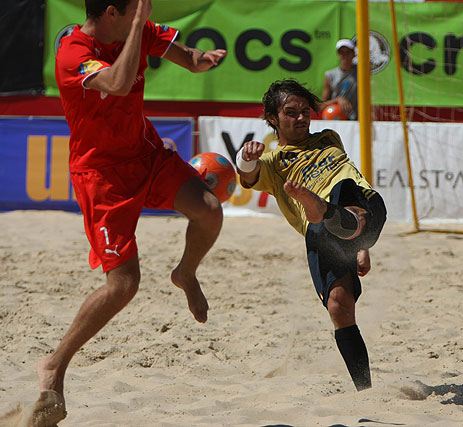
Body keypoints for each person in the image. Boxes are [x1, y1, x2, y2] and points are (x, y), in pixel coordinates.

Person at [26, 0, 226, 424]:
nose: (144, 11)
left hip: (145, 153)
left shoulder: (136, 27)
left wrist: (203, 61)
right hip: (101, 177)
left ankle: (185, 273)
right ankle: (54, 366)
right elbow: (116, 82)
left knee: (209, 210)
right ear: (113, 12)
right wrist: (139, 27)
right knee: (123, 285)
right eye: (135, 8)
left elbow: (188, 59)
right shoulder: (72, 53)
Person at [236, 79, 386, 391]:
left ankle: (324, 209)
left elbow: (351, 184)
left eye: (306, 111)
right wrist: (245, 159)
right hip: (322, 233)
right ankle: (366, 391)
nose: (302, 117)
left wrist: (363, 243)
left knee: (343, 193)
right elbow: (248, 176)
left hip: (360, 201)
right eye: (291, 112)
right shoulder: (274, 164)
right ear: (273, 120)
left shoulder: (329, 138)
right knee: (338, 306)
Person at [322, 39, 358, 120]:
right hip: (335, 120)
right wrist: (338, 100)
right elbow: (322, 105)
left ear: (353, 54)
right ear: (338, 55)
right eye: (342, 53)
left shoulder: (361, 74)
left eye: (347, 52)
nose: (345, 56)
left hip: (356, 121)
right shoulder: (330, 75)